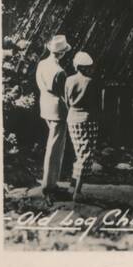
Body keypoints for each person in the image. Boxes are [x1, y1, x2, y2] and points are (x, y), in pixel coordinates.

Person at [35, 34, 71, 199]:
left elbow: (40, 84)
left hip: (45, 106)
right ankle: (49, 187)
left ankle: (51, 184)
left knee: (53, 146)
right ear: (62, 53)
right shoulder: (60, 71)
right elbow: (64, 95)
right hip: (57, 110)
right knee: (55, 149)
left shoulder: (42, 64)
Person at [65, 51, 99, 201]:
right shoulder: (89, 82)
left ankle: (72, 186)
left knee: (79, 153)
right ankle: (77, 192)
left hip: (72, 117)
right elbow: (95, 104)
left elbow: (66, 100)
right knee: (86, 155)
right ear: (85, 67)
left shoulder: (69, 80)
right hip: (87, 119)